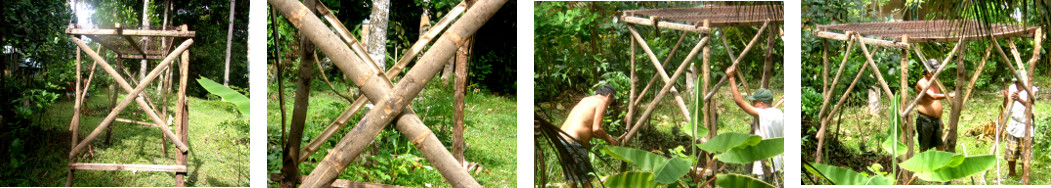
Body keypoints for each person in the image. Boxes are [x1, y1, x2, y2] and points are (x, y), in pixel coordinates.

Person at [726, 66, 783, 178]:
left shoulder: (762, 114)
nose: (753, 105)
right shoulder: (779, 114)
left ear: (761, 103)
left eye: (755, 102)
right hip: (776, 162)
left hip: (764, 162)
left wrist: (731, 78)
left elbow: (739, 101)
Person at [559, 84, 620, 188]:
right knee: (587, 180)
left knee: (573, 179)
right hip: (573, 143)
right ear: (608, 96)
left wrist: (607, 138)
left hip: (562, 141)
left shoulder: (586, 100)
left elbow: (590, 130)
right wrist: (608, 138)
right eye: (611, 102)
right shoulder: (601, 102)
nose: (609, 105)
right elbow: (596, 128)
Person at [1003, 70, 1037, 177]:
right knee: (1010, 152)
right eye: (1016, 82)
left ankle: (1024, 176)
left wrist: (1018, 99)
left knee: (1025, 154)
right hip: (1014, 124)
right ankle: (1011, 172)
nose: (1017, 84)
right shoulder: (1012, 87)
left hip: (1025, 125)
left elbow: (1030, 105)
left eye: (1019, 82)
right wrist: (1005, 97)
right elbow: (1006, 106)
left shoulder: (1032, 90)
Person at [915, 59, 950, 151]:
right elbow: (933, 96)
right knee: (924, 146)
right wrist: (949, 95)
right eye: (936, 71)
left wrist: (940, 119)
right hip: (925, 119)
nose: (938, 73)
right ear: (928, 72)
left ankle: (939, 163)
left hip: (936, 119)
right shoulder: (921, 83)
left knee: (940, 144)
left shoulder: (935, 82)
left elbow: (937, 101)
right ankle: (923, 164)